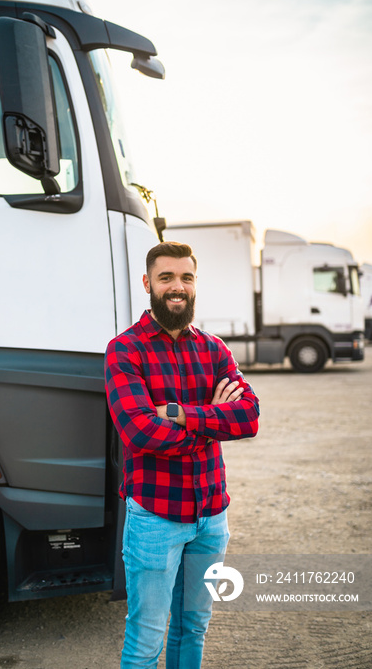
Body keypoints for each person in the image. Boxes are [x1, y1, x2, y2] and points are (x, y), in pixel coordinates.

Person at [104, 241, 259, 668]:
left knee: (193, 627)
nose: (178, 287)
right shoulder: (125, 350)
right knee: (146, 640)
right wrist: (212, 423)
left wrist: (179, 414)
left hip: (211, 517)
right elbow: (139, 432)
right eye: (167, 277)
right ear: (147, 283)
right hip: (155, 518)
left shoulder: (214, 349)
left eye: (186, 277)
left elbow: (249, 416)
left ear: (194, 284)